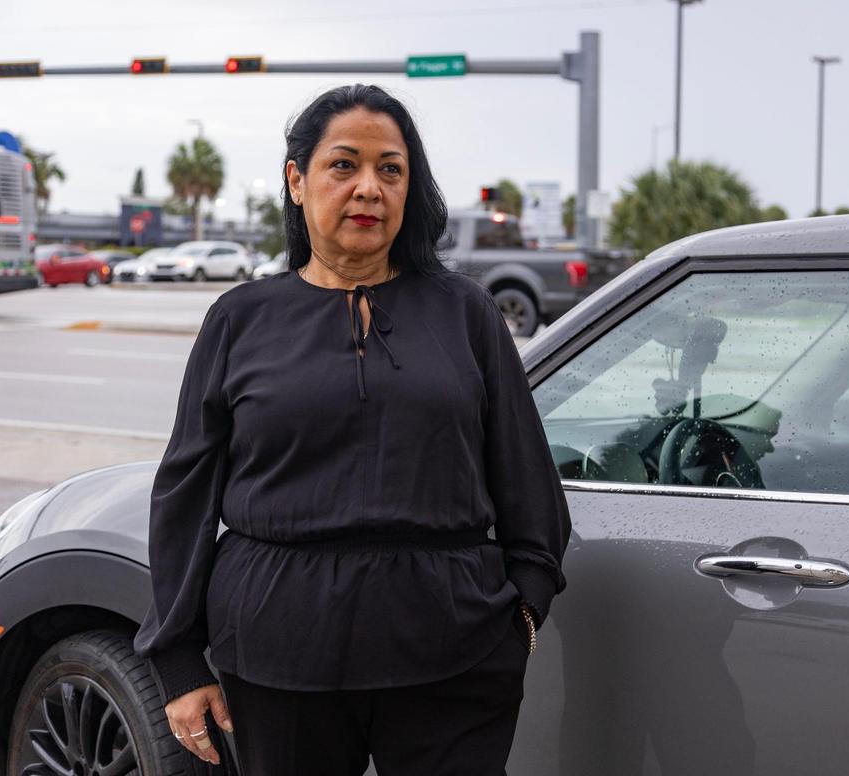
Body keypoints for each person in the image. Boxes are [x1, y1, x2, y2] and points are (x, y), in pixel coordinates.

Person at [133, 83, 572, 775]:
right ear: (297, 181)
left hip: (454, 651)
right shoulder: (239, 319)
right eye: (345, 165)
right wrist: (179, 659)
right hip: (277, 655)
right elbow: (184, 496)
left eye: (390, 170)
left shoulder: (466, 314)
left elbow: (527, 478)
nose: (369, 187)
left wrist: (523, 609)